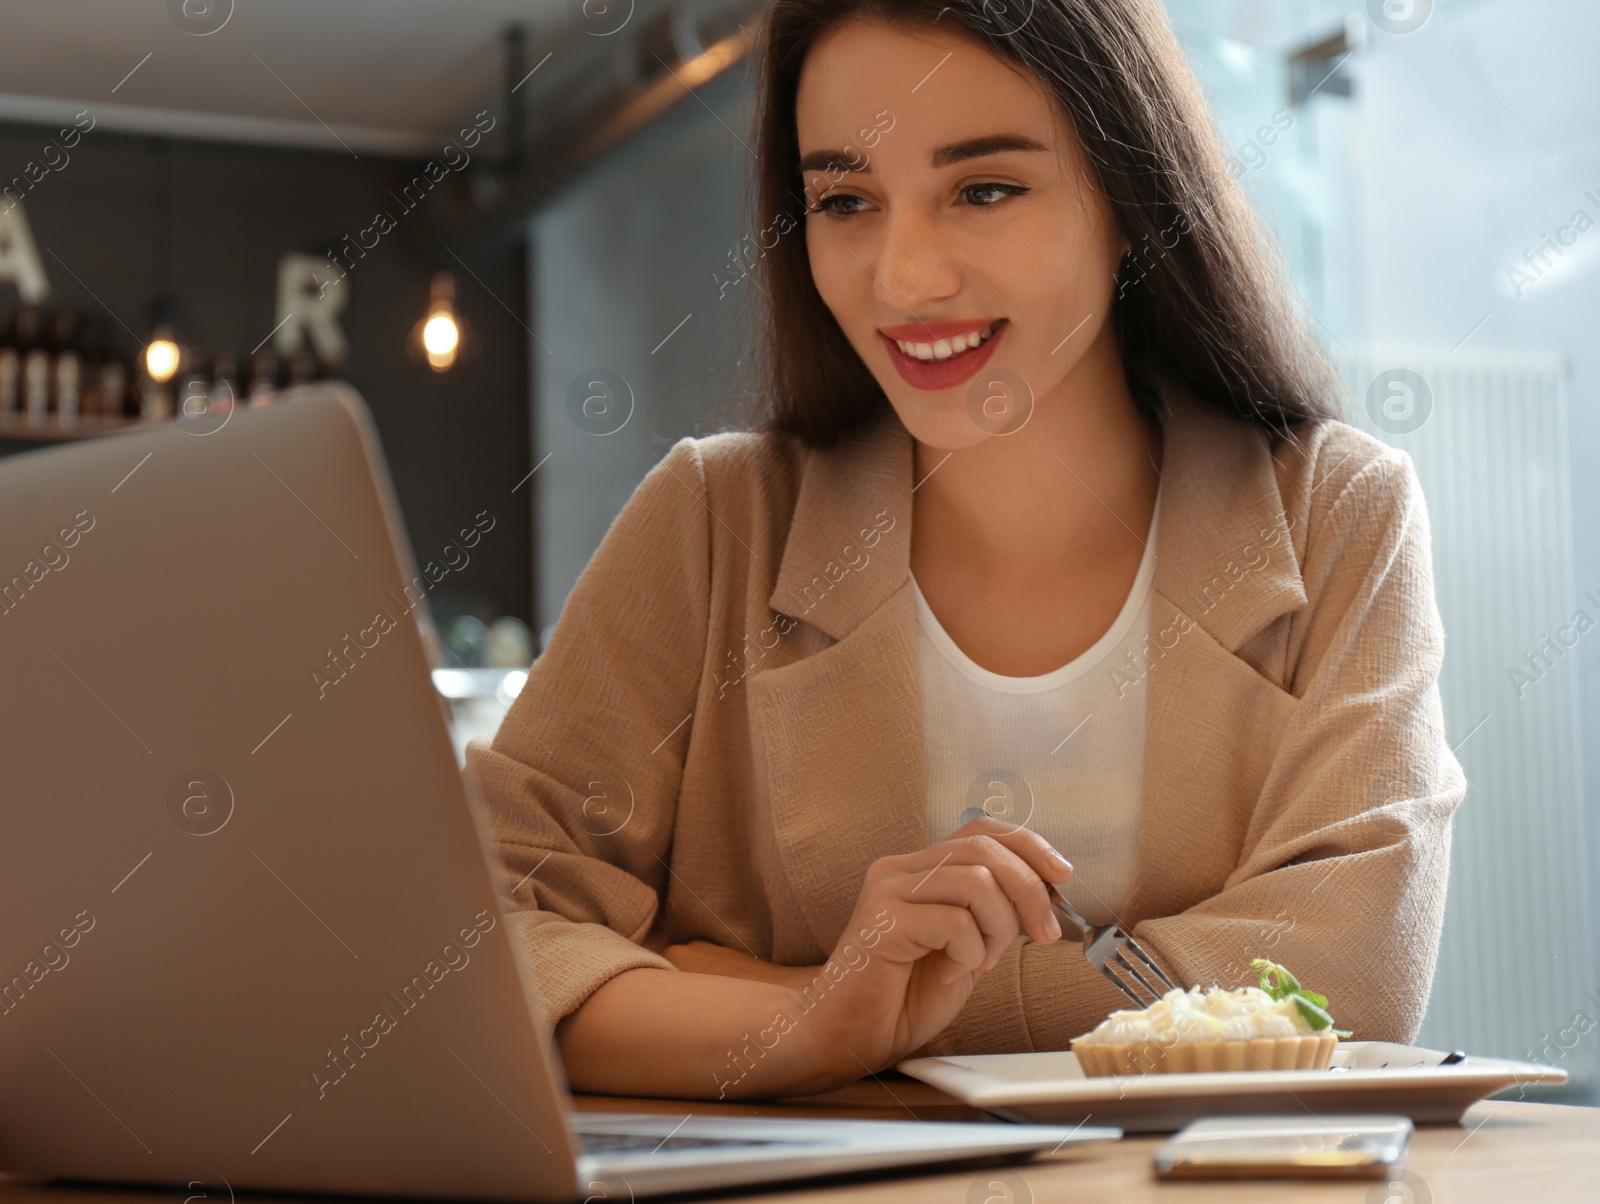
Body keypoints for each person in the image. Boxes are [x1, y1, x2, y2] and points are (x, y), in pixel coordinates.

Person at [465, 0, 1465, 1100]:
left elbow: (1348, 974)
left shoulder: (1337, 513)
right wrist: (804, 1021)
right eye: (844, 200)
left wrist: (784, 994)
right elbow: (476, 934)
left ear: (1131, 197)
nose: (903, 277)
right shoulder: (712, 524)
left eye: (984, 188)